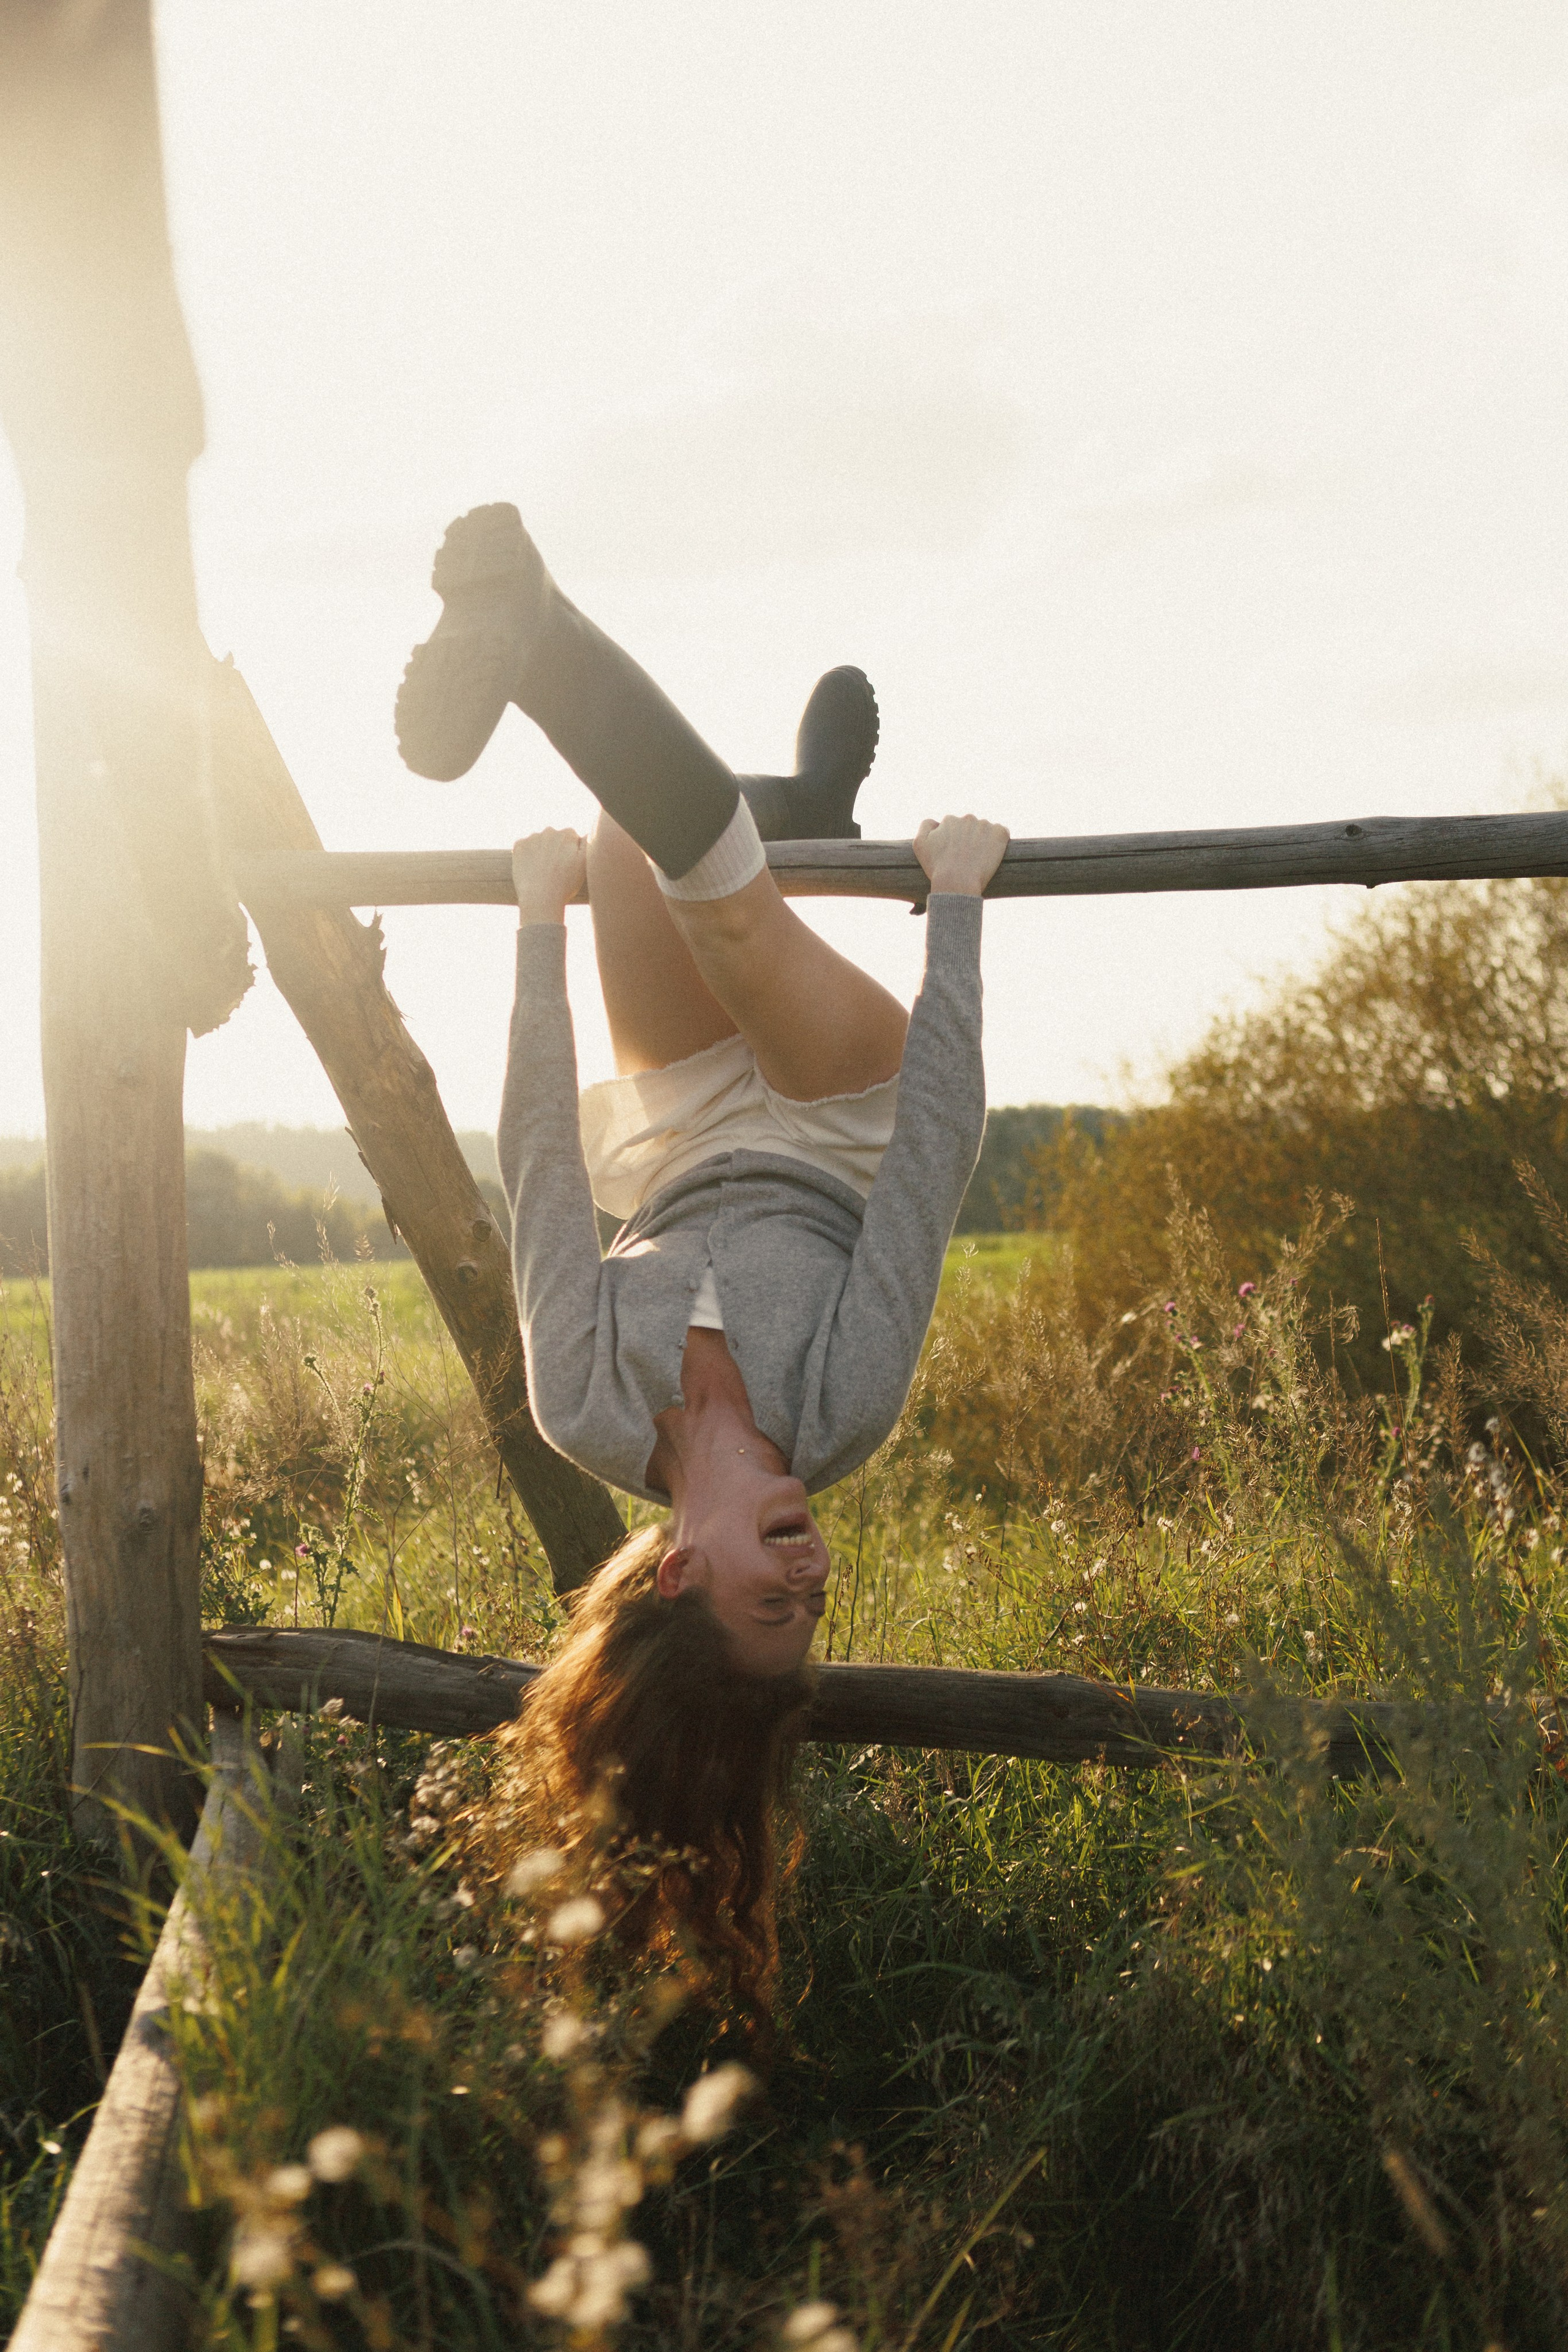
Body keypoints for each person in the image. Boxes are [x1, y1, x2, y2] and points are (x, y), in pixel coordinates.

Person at [397, 503, 1009, 2016]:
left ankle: (794, 803)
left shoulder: (582, 1405)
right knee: (730, 926)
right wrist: (953, 912)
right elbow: (928, 1170)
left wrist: (538, 928)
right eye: (817, 1607)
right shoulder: (840, 1412)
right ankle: (536, 628)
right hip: (841, 1126)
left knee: (628, 835)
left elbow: (542, 1168)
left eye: (770, 1602)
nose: (810, 1576)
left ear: (677, 1572)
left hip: (673, 1138)